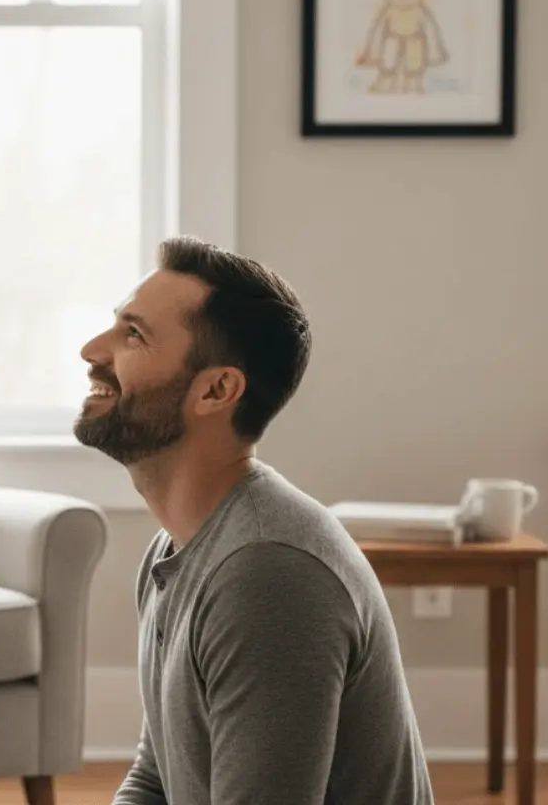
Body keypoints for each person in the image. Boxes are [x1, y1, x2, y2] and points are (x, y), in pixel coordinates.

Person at [73, 236, 434, 805]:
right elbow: (157, 777)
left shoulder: (268, 574)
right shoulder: (176, 546)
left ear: (216, 390)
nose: (92, 349)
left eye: (133, 335)